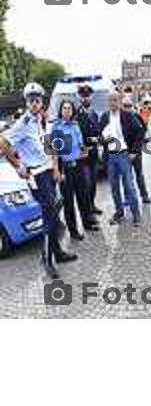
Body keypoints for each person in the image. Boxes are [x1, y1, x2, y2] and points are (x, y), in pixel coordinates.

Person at [0, 83, 77, 278]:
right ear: (26, 102)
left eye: (37, 100)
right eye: (30, 100)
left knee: (52, 213)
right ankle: (47, 257)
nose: (34, 103)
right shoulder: (23, 123)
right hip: (37, 176)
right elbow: (3, 142)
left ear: (42, 101)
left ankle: (57, 252)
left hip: (49, 172)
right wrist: (18, 165)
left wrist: (56, 169)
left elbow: (50, 145)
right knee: (49, 214)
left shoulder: (43, 120)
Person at [50, 99, 99, 240]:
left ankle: (87, 223)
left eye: (69, 108)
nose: (67, 111)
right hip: (65, 167)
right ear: (61, 110)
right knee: (69, 202)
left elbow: (81, 144)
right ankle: (73, 231)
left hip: (79, 165)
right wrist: (56, 170)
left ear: (73, 111)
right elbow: (53, 151)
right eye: (64, 108)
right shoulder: (56, 127)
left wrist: (84, 150)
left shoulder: (75, 125)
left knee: (83, 196)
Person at [99, 91, 144, 226]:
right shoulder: (104, 117)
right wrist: (102, 139)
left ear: (119, 101)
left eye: (114, 100)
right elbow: (99, 135)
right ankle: (119, 212)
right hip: (110, 156)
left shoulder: (128, 116)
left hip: (124, 154)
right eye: (110, 100)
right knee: (114, 187)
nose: (112, 103)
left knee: (129, 186)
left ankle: (136, 214)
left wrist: (134, 151)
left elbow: (140, 132)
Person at [76, 82, 103, 215]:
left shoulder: (94, 114)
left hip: (94, 153)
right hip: (83, 154)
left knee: (93, 182)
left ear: (91, 97)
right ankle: (86, 211)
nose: (85, 98)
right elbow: (76, 136)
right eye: (83, 96)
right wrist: (90, 140)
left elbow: (97, 131)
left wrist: (100, 138)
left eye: (87, 95)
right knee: (85, 184)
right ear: (79, 97)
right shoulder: (76, 115)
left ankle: (92, 205)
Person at [122, 96, 151, 204]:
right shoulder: (119, 118)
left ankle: (144, 195)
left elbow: (142, 133)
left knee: (139, 174)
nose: (127, 108)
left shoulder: (136, 116)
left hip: (136, 151)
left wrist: (135, 151)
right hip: (124, 151)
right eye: (125, 106)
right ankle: (127, 197)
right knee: (126, 175)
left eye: (129, 106)